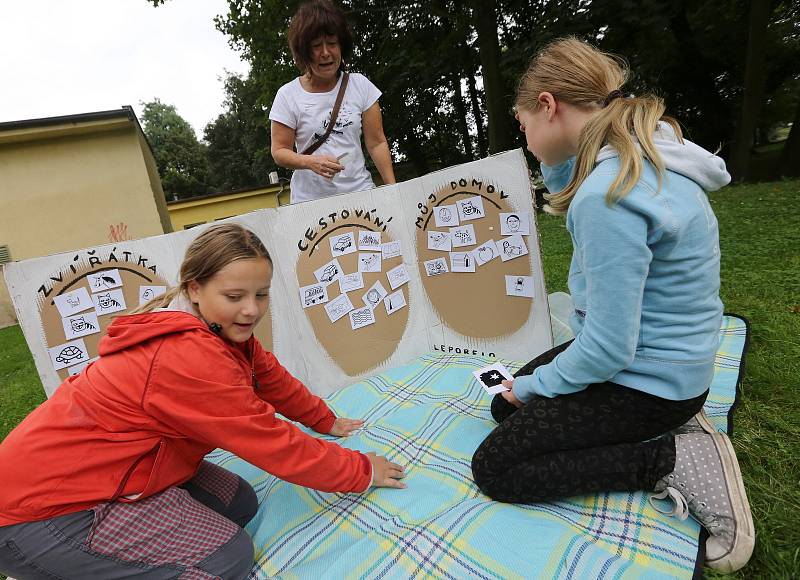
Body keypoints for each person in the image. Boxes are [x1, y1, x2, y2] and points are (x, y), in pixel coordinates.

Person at [470, 38, 754, 573]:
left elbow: (605, 349)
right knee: (501, 406)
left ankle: (667, 459)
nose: (527, 143)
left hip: (646, 382)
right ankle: (671, 423)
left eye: (524, 124)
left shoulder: (608, 195)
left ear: (548, 105)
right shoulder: (646, 154)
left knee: (497, 466)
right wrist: (526, 392)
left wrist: (532, 387)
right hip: (671, 365)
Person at [0, 223, 405, 580]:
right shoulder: (189, 356)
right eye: (234, 296)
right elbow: (271, 442)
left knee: (240, 503)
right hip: (43, 514)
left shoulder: (216, 330)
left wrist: (325, 419)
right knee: (227, 558)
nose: (251, 309)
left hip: (119, 471)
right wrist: (361, 470)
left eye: (261, 295)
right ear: (195, 288)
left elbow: (271, 378)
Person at [270, 0, 396, 203]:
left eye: (332, 43)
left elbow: (377, 142)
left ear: (341, 45)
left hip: (361, 196)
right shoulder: (287, 95)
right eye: (316, 46)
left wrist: (393, 189)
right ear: (303, 51)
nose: (325, 52)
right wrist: (312, 162)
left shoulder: (361, 85)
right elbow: (279, 151)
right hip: (310, 204)